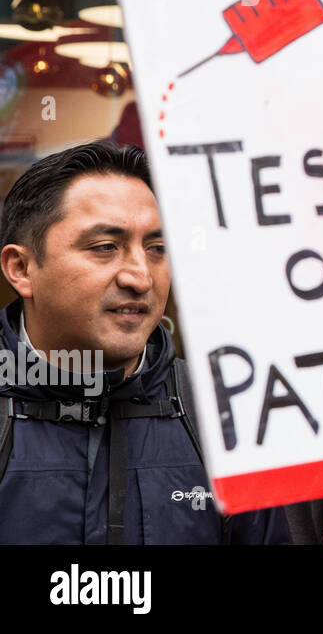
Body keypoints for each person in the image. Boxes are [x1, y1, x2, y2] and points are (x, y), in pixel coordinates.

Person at [0, 141, 290, 544]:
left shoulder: (222, 417)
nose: (140, 277)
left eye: (157, 249)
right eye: (105, 248)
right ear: (22, 268)